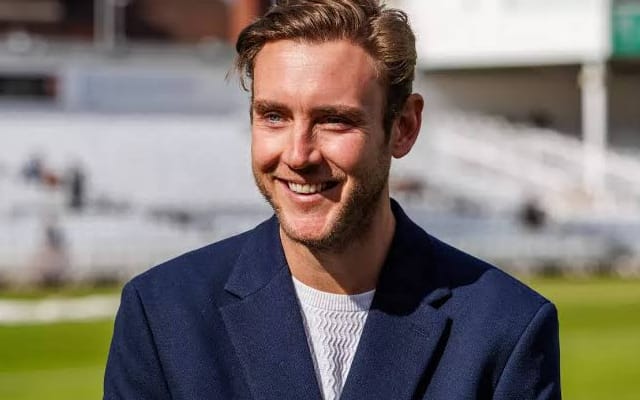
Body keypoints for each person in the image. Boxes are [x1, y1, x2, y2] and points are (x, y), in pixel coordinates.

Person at [104, 1, 561, 399]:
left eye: (334, 121)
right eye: (274, 116)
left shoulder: (506, 327)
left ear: (404, 128)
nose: (298, 155)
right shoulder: (162, 316)